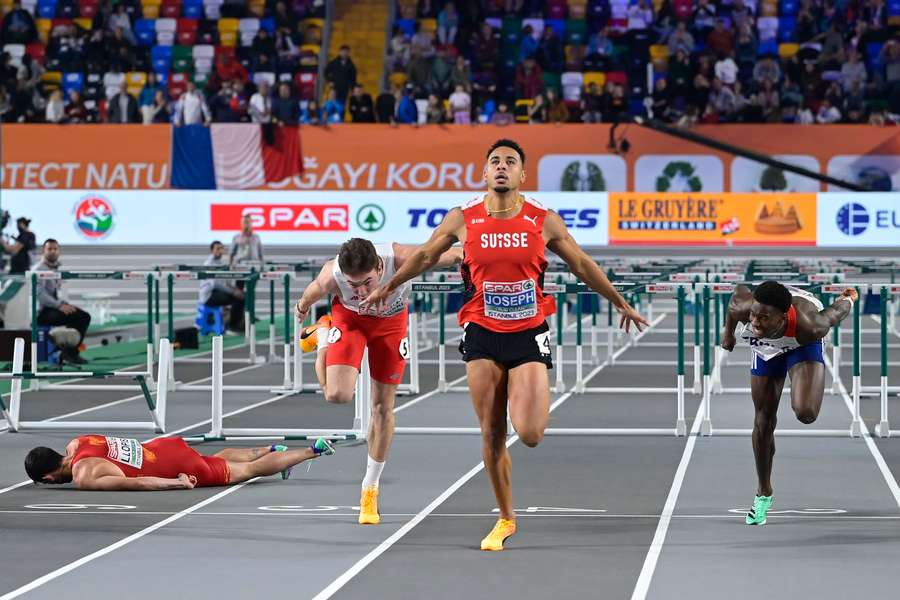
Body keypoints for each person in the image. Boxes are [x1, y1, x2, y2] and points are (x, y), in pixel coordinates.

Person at [364, 139, 648, 550]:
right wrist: (388, 286)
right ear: (484, 173)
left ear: (522, 175)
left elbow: (582, 263)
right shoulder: (463, 218)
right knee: (491, 432)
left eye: (510, 162)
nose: (501, 167)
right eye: (494, 161)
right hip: (481, 333)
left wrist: (620, 302)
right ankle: (505, 518)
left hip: (528, 333)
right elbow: (425, 255)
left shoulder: (542, 219)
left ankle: (519, 414)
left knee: (530, 432)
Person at [294, 238, 462, 525]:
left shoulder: (401, 258)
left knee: (382, 408)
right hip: (351, 321)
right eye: (353, 285)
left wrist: (470, 255)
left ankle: (369, 489)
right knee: (337, 395)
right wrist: (301, 307)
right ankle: (323, 334)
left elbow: (446, 255)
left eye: (368, 283)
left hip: (391, 325)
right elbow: (310, 293)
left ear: (379, 266)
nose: (361, 291)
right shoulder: (331, 273)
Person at [721, 281, 858, 526]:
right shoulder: (746, 308)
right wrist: (727, 332)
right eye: (753, 315)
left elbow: (836, 313)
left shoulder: (811, 326)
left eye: (763, 317)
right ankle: (763, 493)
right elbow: (735, 301)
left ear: (783, 317)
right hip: (766, 349)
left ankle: (801, 385)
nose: (755, 322)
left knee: (806, 412)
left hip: (801, 345)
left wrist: (848, 299)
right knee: (762, 420)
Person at [25, 434, 335, 490]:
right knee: (215, 458)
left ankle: (313, 450)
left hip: (175, 468)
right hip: (164, 447)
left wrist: (178, 482)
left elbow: (139, 482)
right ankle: (273, 449)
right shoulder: (77, 443)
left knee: (246, 472)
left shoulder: (85, 476)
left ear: (49, 478)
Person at [35, 239, 91, 364]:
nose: (53, 251)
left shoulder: (56, 269)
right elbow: (40, 295)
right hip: (42, 312)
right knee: (80, 317)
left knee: (82, 316)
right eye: (49, 249)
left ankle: (68, 351)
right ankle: (70, 353)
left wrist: (63, 303)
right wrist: (59, 305)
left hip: (53, 307)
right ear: (43, 251)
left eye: (55, 249)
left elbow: (54, 293)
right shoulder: (39, 269)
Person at [200, 241, 245, 333]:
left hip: (217, 292)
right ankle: (231, 326)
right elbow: (216, 284)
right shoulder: (209, 264)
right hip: (209, 295)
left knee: (243, 295)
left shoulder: (220, 263)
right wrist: (233, 292)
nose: (220, 250)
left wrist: (235, 289)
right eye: (217, 248)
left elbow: (225, 282)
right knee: (238, 299)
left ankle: (239, 322)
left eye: (221, 248)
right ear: (212, 250)